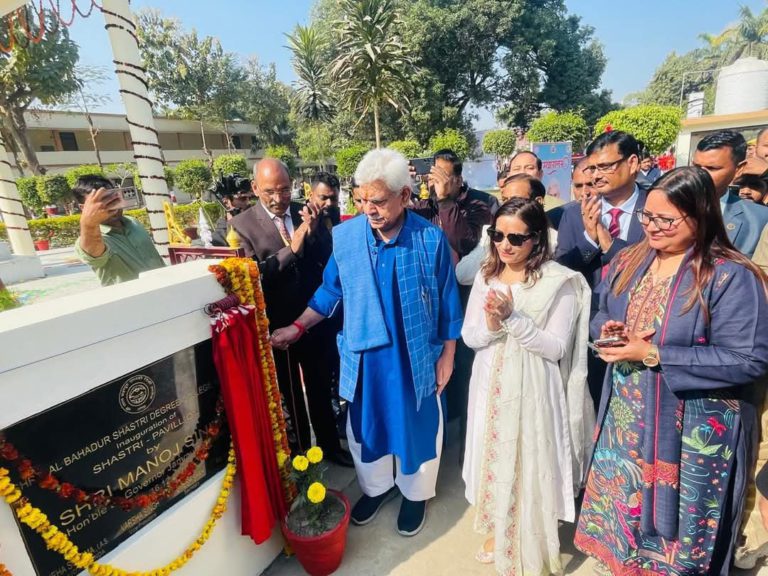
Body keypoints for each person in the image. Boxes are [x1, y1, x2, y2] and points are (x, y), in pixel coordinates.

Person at [574, 166, 768, 575]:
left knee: (683, 535)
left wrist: (654, 353)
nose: (653, 228)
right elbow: (601, 308)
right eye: (648, 217)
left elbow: (748, 358)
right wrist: (607, 329)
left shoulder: (727, 274)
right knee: (623, 513)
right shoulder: (631, 258)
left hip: (690, 433)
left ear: (700, 215)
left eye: (666, 220)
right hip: (626, 423)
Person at [270, 148, 463, 536]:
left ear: (405, 196)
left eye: (377, 201)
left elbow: (447, 302)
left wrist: (448, 354)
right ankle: (376, 488)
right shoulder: (347, 238)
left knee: (418, 425)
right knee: (364, 427)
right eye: (360, 199)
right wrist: (298, 327)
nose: (368, 209)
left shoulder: (429, 240)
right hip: (364, 357)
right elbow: (329, 293)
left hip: (415, 358)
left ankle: (414, 493)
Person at [461, 198, 593, 574]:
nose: (505, 245)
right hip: (490, 386)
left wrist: (512, 318)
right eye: (497, 235)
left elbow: (555, 347)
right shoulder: (488, 275)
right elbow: (470, 336)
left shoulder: (558, 282)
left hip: (535, 386)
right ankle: (502, 529)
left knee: (529, 459)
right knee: (494, 455)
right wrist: (491, 324)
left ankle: (529, 534)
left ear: (536, 239)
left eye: (515, 238)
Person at [230, 159, 352, 467]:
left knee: (321, 387)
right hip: (279, 327)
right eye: (270, 191)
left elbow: (329, 260)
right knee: (289, 395)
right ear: (255, 187)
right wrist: (293, 247)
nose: (278, 198)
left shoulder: (304, 211)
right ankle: (299, 458)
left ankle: (329, 446)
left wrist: (316, 229)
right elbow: (251, 276)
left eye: (285, 189)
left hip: (316, 319)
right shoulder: (240, 226)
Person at [455, 175, 556, 286]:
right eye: (504, 200)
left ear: (538, 201)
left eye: (515, 200)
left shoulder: (555, 242)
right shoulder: (492, 235)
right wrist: (494, 243)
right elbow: (463, 275)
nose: (508, 206)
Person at [73, 175, 165, 286]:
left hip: (163, 291)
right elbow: (95, 252)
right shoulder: (89, 240)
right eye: (102, 201)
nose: (111, 205)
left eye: (112, 197)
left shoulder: (133, 222)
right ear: (84, 208)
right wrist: (88, 223)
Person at [692, 130, 768, 258]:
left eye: (712, 168)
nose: (700, 175)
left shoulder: (760, 219)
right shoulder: (667, 207)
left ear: (739, 169)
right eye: (696, 167)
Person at [412, 148, 498, 260]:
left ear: (458, 181)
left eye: (441, 175)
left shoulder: (481, 203)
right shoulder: (426, 205)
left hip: (464, 275)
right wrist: (400, 184)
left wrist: (444, 200)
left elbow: (464, 244)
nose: (434, 180)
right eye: (432, 174)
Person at [211, 179, 255, 246]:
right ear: (226, 202)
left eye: (250, 198)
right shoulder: (220, 233)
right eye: (242, 198)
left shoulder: (258, 221)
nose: (248, 202)